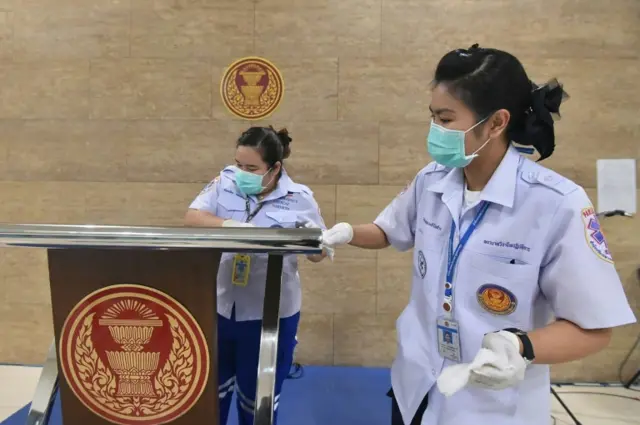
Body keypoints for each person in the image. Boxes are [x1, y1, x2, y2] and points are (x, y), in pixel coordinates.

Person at [321, 44, 636, 425]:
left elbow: (593, 327)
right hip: (416, 386)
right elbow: (389, 230)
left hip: (490, 406)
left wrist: (519, 345)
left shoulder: (556, 204)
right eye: (432, 117)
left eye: (446, 119)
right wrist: (344, 232)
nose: (435, 130)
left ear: (496, 123)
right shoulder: (432, 181)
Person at [185, 126, 328, 425]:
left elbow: (318, 254)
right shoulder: (224, 181)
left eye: (251, 168)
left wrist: (309, 241)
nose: (242, 173)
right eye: (239, 164)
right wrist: (231, 227)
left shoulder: (300, 198)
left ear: (275, 168)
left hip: (270, 316)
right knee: (211, 398)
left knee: (257, 402)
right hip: (221, 307)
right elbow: (193, 216)